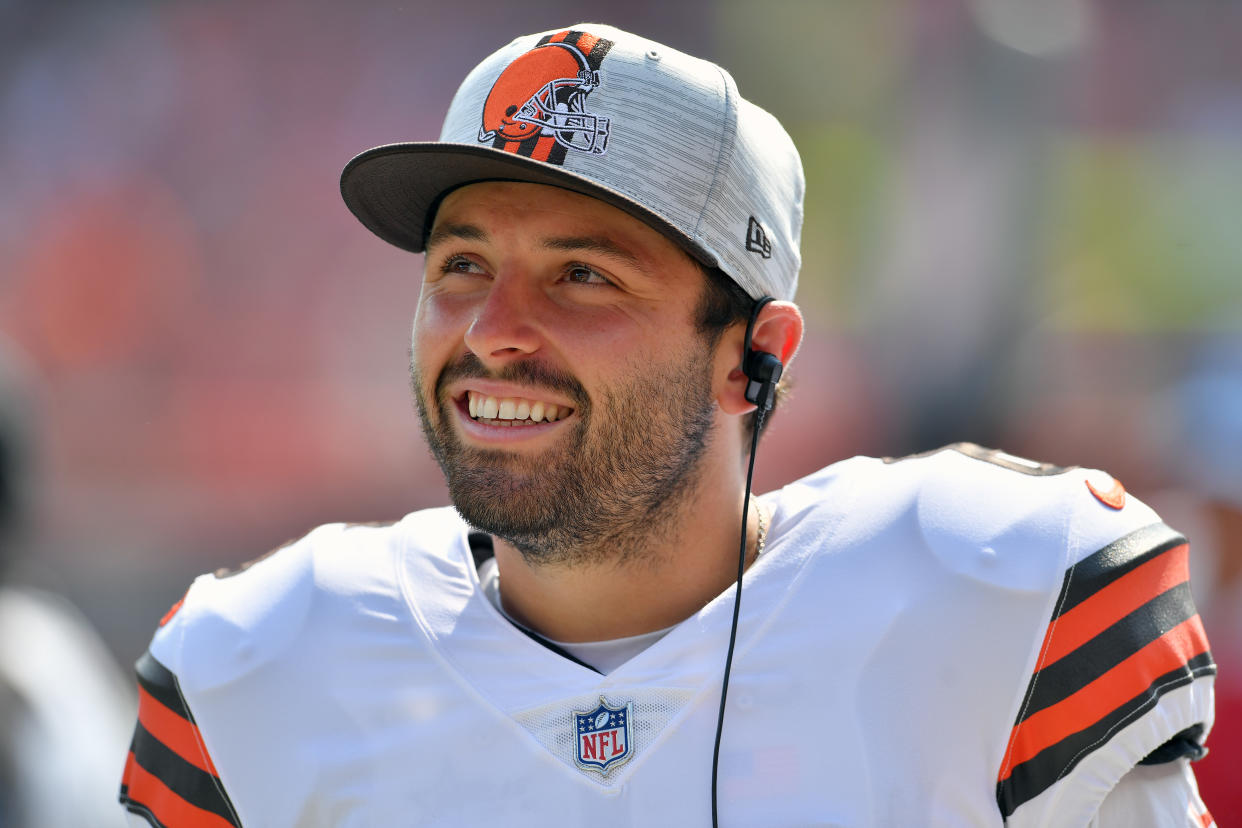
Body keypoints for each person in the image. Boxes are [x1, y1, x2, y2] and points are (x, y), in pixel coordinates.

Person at [118, 24, 1216, 827]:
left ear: (758, 356)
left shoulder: (996, 604)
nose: (495, 331)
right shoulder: (258, 668)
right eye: (463, 265)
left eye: (582, 275)